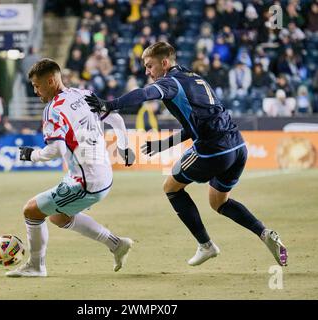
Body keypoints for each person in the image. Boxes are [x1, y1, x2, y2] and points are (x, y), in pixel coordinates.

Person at [85, 41, 288, 267]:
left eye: (149, 66)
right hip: (238, 146)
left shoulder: (169, 82)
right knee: (219, 201)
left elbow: (144, 94)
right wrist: (164, 145)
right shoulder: (194, 77)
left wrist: (108, 104)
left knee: (170, 187)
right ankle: (264, 233)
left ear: (164, 63)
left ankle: (206, 245)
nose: (147, 72)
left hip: (213, 150)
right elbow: (193, 127)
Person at [6, 58, 135, 277]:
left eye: (37, 86)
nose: (36, 91)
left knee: (31, 211)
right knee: (58, 216)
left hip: (86, 181)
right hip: (102, 174)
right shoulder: (83, 94)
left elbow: (55, 149)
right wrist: (124, 148)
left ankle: (37, 267)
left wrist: (31, 155)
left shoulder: (53, 110)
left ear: (50, 80)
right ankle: (116, 244)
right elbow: (116, 118)